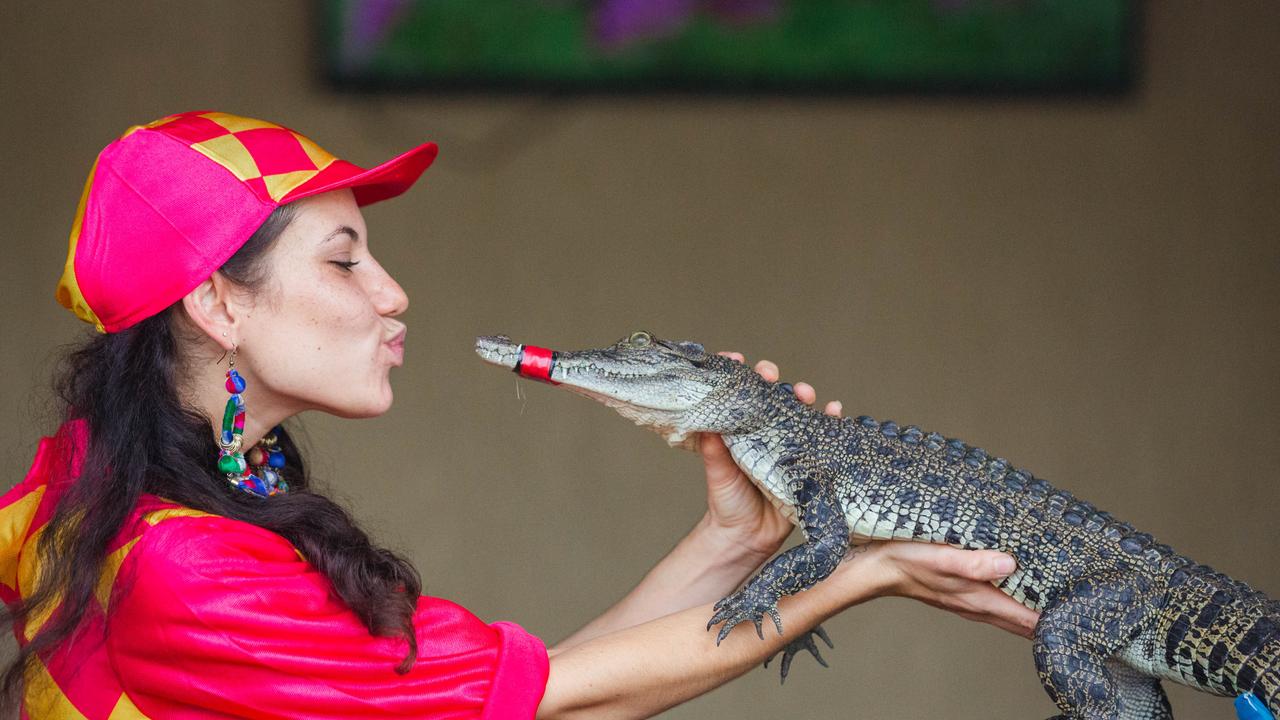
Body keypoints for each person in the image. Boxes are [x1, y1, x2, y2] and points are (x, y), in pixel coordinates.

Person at [0, 110, 1044, 718]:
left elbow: (528, 701)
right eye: (343, 259)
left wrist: (735, 538)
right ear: (216, 302)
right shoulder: (181, 567)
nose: (392, 293)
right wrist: (855, 575)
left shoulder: (171, 499)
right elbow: (552, 697)